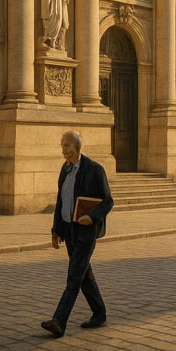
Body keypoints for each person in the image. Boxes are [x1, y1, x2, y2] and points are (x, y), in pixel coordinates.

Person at [41, 131, 114, 338]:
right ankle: (99, 313)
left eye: (66, 146)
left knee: (74, 276)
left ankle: (59, 321)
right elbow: (60, 203)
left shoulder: (94, 169)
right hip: (69, 231)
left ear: (77, 147)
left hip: (86, 232)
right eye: (62, 146)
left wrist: (92, 216)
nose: (63, 150)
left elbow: (108, 201)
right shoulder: (64, 170)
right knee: (84, 276)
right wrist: (55, 232)